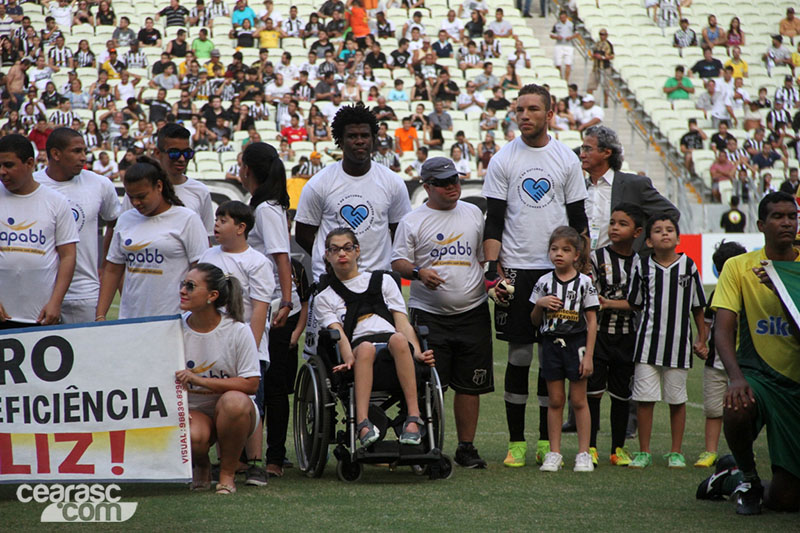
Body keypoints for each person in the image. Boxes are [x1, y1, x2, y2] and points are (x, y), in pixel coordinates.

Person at [482, 84, 588, 468]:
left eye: (532, 109)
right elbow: (493, 219)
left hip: (557, 271)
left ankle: (547, 440)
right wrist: (493, 274)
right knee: (519, 355)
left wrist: (582, 268)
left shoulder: (566, 159)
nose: (524, 116)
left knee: (552, 358)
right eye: (519, 110)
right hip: (515, 270)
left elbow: (578, 221)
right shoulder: (503, 159)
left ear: (549, 112)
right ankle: (516, 443)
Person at [699, 192, 800, 514]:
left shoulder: (794, 274)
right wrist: (736, 378)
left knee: (786, 501)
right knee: (737, 405)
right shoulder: (739, 267)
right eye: (777, 217)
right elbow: (723, 328)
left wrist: (780, 290)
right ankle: (748, 478)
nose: (787, 223)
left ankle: (727, 478)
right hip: (759, 376)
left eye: (792, 216)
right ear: (760, 224)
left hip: (795, 384)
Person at [392, 157, 493, 468]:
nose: (453, 186)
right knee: (431, 384)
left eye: (456, 180)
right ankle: (426, 445)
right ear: (427, 187)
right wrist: (420, 272)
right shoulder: (413, 220)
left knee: (469, 386)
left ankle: (466, 447)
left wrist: (493, 282)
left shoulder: (474, 213)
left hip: (473, 311)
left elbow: (480, 259)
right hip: (429, 314)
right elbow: (398, 262)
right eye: (445, 183)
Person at [316, 227, 435, 447]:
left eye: (347, 248)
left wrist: (418, 353)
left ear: (357, 251)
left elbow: (402, 322)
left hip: (392, 343)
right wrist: (348, 358)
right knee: (366, 349)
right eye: (335, 249)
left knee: (400, 339)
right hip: (359, 346)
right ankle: (362, 422)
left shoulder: (383, 281)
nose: (342, 253)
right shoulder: (324, 297)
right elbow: (338, 332)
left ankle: (413, 417)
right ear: (327, 255)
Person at [197, 201, 274, 486]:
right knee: (218, 400)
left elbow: (260, 308)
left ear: (241, 228)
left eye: (224, 220)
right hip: (212, 345)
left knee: (252, 403)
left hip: (249, 347)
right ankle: (224, 461)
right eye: (216, 219)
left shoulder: (257, 262)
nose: (216, 224)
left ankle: (255, 462)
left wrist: (250, 350)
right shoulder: (208, 255)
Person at [626, 213, 708, 469]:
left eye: (669, 229)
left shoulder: (689, 266)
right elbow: (634, 303)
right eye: (658, 230)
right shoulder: (641, 266)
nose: (665, 233)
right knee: (645, 399)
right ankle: (644, 451)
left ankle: (676, 452)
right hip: (647, 345)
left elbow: (698, 308)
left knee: (676, 399)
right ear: (649, 241)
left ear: (678, 237)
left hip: (678, 347)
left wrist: (702, 339)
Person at [295, 103, 412, 283]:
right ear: (340, 141)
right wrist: (332, 259)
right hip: (332, 281)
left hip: (378, 282)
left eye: (365, 135)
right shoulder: (318, 184)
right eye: (352, 136)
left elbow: (400, 233)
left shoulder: (393, 182)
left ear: (373, 139)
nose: (359, 141)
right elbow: (303, 234)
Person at [176, 263, 261, 495]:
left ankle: (227, 474)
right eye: (183, 284)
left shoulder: (237, 330)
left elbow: (251, 383)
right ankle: (201, 464)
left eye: (191, 286)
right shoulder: (174, 328)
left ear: (212, 296)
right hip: (194, 410)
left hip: (233, 409)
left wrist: (201, 381)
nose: (183, 290)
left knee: (234, 402)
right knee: (194, 436)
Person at [96, 157, 208, 320]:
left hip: (175, 320)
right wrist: (100, 315)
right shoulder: (125, 219)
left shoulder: (187, 219)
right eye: (131, 197)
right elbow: (113, 270)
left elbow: (201, 272)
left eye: (141, 196)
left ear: (159, 186)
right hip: (131, 321)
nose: (136, 202)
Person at [33, 128, 120, 323]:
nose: (83, 158)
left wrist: (106, 264)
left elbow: (116, 224)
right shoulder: (33, 185)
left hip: (85, 293)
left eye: (84, 152)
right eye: (76, 151)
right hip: (40, 293)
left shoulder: (100, 184)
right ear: (55, 154)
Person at [531, 226, 598, 472]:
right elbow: (534, 321)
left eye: (565, 250)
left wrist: (589, 355)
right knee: (555, 400)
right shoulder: (543, 282)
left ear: (577, 255)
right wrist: (540, 304)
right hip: (551, 346)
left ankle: (583, 453)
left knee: (579, 400)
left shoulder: (585, 283)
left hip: (577, 346)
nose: (559, 254)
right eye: (554, 249)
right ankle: (554, 453)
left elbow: (592, 322)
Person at [0, 133, 78, 329]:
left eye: (8, 165)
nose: (2, 172)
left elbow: (68, 256)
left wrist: (56, 302)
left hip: (40, 316)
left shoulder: (55, 202)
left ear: (30, 163)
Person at [586, 203, 644, 466]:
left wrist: (608, 303)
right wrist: (611, 303)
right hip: (596, 336)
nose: (615, 228)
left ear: (637, 232)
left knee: (621, 394)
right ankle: (590, 446)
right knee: (593, 392)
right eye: (612, 223)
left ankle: (618, 448)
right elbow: (591, 298)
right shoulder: (597, 258)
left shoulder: (642, 263)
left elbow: (638, 302)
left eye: (622, 223)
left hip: (626, 336)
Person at [581, 126, 679, 251]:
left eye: (588, 149)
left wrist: (640, 247)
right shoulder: (579, 188)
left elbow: (670, 213)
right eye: (582, 149)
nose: (582, 155)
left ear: (607, 152)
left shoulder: (634, 185)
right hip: (587, 266)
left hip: (625, 266)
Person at [695, 241, 747, 468]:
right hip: (714, 364)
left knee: (744, 411)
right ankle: (710, 451)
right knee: (714, 409)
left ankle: (744, 453)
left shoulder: (751, 294)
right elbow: (707, 324)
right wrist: (701, 342)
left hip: (744, 365)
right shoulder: (716, 295)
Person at [238, 142, 293, 330]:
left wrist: (286, 302)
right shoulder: (266, 206)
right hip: (269, 299)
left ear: (247, 170)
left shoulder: (266, 209)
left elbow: (281, 257)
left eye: (240, 165)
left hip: (276, 305)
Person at [550, 11, 577, 81]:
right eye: (561, 18)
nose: (562, 19)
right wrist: (557, 37)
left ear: (566, 17)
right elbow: (551, 34)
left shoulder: (571, 24)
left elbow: (577, 33)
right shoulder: (557, 24)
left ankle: (566, 80)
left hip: (569, 46)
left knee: (568, 63)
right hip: (559, 45)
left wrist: (571, 37)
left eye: (564, 17)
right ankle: (559, 78)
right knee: (558, 63)